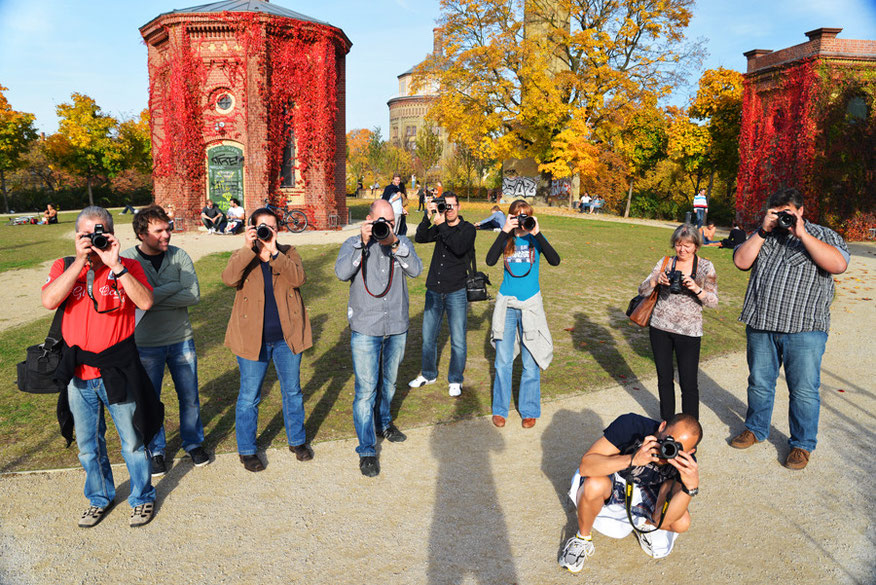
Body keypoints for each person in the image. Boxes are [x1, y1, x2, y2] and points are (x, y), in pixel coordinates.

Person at [41, 206, 160, 528]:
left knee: (132, 442)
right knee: (88, 446)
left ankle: (142, 497)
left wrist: (115, 264)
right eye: (85, 234)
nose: (92, 239)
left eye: (98, 233)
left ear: (110, 233)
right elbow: (50, 301)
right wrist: (80, 261)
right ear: (76, 236)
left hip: (117, 371)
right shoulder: (65, 266)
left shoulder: (128, 266)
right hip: (79, 376)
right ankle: (99, 497)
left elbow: (146, 302)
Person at [730, 187, 849, 470]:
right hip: (761, 323)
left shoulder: (824, 235)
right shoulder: (764, 235)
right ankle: (756, 428)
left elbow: (839, 264)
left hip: (805, 328)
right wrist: (761, 230)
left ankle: (801, 444)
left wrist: (803, 234)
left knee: (804, 390)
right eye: (778, 212)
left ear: (801, 211)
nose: (784, 218)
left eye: (789, 213)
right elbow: (740, 261)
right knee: (759, 383)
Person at [335, 199, 422, 477]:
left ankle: (384, 422)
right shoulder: (352, 243)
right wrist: (362, 243)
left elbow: (416, 270)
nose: (386, 225)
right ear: (369, 219)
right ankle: (367, 450)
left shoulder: (401, 243)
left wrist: (395, 243)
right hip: (366, 326)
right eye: (381, 221)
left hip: (396, 324)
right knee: (365, 390)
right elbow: (341, 273)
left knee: (390, 382)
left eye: (391, 221)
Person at [222, 208, 314, 472]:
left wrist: (274, 253)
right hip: (253, 339)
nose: (267, 231)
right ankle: (247, 450)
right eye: (262, 227)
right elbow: (229, 279)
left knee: (292, 392)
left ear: (278, 230)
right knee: (249, 396)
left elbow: (298, 279)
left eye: (272, 227)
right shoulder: (244, 255)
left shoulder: (288, 253)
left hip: (287, 337)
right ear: (251, 228)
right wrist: (248, 248)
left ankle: (297, 441)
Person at [122, 205, 209, 477]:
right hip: (145, 343)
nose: (167, 234)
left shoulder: (179, 255)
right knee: (151, 399)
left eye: (168, 228)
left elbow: (193, 296)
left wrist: (149, 298)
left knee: (190, 398)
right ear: (141, 233)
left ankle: (193, 443)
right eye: (159, 230)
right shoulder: (127, 260)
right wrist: (172, 289)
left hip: (181, 339)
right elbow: (128, 301)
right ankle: (156, 450)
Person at [559, 413, 702, 572]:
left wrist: (690, 489)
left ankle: (644, 525)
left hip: (649, 493)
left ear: (690, 452)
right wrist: (633, 459)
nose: (669, 449)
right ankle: (582, 537)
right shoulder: (633, 426)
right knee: (593, 485)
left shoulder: (686, 465)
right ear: (662, 427)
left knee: (682, 522)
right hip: (616, 476)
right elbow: (586, 466)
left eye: (679, 448)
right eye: (669, 440)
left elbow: (663, 519)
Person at [485, 200, 560, 428]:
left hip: (530, 307)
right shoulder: (507, 238)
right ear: (510, 217)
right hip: (507, 306)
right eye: (517, 216)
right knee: (502, 362)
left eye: (525, 215)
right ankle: (500, 409)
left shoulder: (534, 239)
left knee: (530, 361)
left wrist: (537, 232)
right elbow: (489, 260)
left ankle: (529, 409)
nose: (521, 220)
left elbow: (555, 260)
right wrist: (505, 230)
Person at [637, 224, 718, 421]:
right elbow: (642, 290)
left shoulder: (706, 267)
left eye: (687, 246)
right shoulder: (665, 263)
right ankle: (666, 423)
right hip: (660, 327)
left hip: (689, 332)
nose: (682, 250)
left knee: (689, 383)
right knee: (664, 379)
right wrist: (656, 280)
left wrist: (696, 289)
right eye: (678, 245)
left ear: (696, 247)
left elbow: (714, 301)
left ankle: (689, 429)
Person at [409, 192, 476, 397]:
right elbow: (420, 237)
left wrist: (441, 226)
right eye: (445, 206)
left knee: (458, 339)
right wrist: (427, 216)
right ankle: (428, 374)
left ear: (459, 207)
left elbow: (458, 247)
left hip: (456, 290)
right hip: (434, 289)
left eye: (452, 206)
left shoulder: (468, 229)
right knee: (428, 337)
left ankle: (455, 379)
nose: (449, 210)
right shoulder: (440, 225)